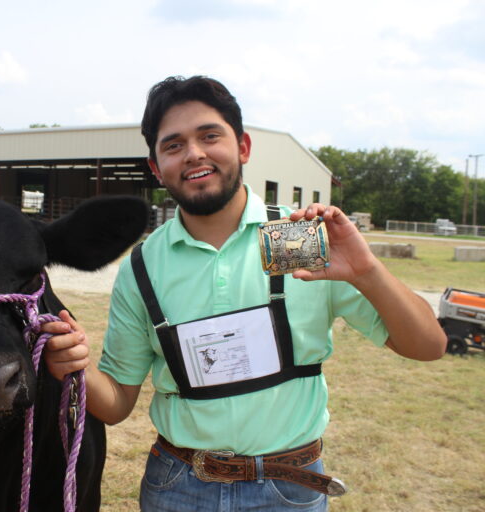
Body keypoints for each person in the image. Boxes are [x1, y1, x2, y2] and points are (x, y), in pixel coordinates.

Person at [42, 75, 446, 511]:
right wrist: (75, 366)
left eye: (210, 136)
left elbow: (428, 345)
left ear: (243, 147)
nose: (194, 153)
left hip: (289, 490)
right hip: (178, 487)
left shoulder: (293, 238)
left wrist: (367, 272)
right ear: (157, 168)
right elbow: (118, 403)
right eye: (173, 145)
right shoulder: (143, 266)